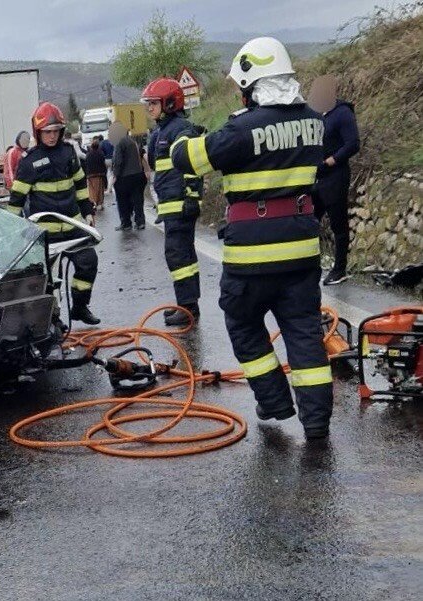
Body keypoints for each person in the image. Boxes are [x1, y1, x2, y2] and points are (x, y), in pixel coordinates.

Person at [171, 36, 332, 439]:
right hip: (302, 253)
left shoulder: (241, 129)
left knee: (243, 323)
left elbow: (187, 159)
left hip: (252, 256)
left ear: (251, 82)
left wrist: (181, 135)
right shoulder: (315, 121)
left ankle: (275, 402)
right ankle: (316, 422)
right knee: (304, 333)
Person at [8, 102, 100, 325]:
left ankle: (80, 307)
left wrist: (87, 212)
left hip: (72, 227)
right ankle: (53, 320)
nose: (52, 136)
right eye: (47, 132)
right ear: (38, 132)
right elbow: (17, 198)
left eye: (56, 131)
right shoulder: (29, 161)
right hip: (45, 233)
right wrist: (12, 228)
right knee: (45, 279)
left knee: (88, 262)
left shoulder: (69, 153)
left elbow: (80, 184)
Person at [142, 77, 205, 326]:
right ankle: (188, 305)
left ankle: (188, 307)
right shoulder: (162, 131)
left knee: (178, 256)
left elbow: (191, 164)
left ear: (169, 103)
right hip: (171, 204)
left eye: (153, 103)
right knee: (183, 256)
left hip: (180, 204)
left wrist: (192, 196)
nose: (149, 108)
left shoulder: (181, 130)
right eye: (148, 103)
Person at [309, 74, 361, 285]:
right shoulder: (315, 114)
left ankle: (339, 269)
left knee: (338, 223)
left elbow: (353, 144)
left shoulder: (342, 113)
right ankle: (310, 264)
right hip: (315, 177)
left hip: (335, 176)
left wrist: (331, 161)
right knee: (309, 221)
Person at [110, 123, 147, 230]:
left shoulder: (119, 142)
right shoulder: (132, 141)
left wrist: (115, 175)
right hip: (138, 174)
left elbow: (118, 160)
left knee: (123, 201)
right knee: (137, 199)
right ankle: (140, 222)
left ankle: (126, 223)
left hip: (124, 176)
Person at [84, 137, 107, 211]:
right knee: (100, 190)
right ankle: (99, 203)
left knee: (92, 190)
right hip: (99, 174)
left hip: (90, 175)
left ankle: (93, 203)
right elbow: (103, 164)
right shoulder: (101, 153)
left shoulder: (88, 154)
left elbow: (86, 164)